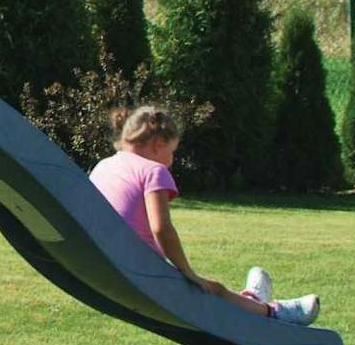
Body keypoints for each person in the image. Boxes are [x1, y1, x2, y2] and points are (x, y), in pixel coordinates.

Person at [89, 106, 321, 325]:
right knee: (213, 290)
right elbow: (161, 228)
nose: (171, 161)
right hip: (140, 274)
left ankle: (252, 299)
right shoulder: (153, 171)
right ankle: (274, 312)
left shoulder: (104, 166)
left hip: (104, 265)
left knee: (209, 289)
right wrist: (187, 272)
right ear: (158, 144)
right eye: (172, 152)